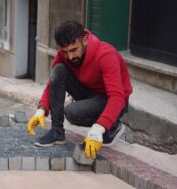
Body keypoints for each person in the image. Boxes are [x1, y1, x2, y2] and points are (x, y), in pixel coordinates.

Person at [27, 21, 132, 159]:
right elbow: (53, 82)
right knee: (58, 70)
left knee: (72, 113)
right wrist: (41, 109)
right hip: (88, 93)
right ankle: (57, 132)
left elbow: (117, 97)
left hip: (112, 100)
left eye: (73, 50)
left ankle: (112, 126)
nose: (70, 57)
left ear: (85, 40)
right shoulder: (64, 55)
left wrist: (99, 127)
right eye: (64, 52)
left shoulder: (106, 54)